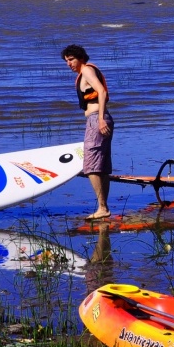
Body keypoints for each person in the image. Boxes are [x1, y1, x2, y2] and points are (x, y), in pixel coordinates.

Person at [62, 44, 113, 220]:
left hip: (97, 120)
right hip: (102, 118)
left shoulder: (87, 71)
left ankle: (102, 208)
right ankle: (103, 207)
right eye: (66, 61)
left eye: (71, 59)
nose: (68, 63)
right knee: (102, 167)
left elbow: (101, 91)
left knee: (91, 167)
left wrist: (99, 120)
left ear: (81, 58)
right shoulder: (87, 72)